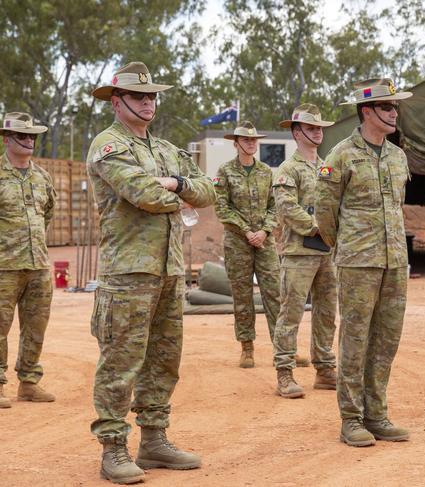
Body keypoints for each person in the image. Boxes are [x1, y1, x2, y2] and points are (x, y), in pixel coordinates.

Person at [87, 61, 216, 484]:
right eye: (139, 97)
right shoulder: (107, 146)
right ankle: (113, 448)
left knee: (163, 360)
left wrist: (175, 184)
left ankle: (155, 439)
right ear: (117, 102)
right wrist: (174, 190)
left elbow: (207, 190)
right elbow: (140, 193)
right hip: (127, 273)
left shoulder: (166, 150)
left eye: (152, 96)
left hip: (168, 270)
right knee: (121, 362)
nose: (148, 103)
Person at [315, 79, 411, 447]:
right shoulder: (340, 155)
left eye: (395, 108)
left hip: (395, 262)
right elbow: (325, 213)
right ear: (367, 111)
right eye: (387, 108)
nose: (393, 113)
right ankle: (351, 419)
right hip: (358, 262)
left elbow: (397, 207)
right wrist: (348, 245)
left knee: (386, 340)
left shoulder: (398, 156)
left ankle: (377, 414)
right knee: (355, 339)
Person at [214, 121, 310, 369]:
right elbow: (222, 208)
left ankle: (284, 350)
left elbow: (274, 206)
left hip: (265, 243)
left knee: (275, 295)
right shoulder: (224, 172)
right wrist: (246, 230)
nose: (251, 143)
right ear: (236, 143)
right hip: (238, 243)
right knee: (242, 296)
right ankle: (247, 348)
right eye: (246, 140)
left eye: (254, 140)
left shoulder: (267, 172)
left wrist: (265, 231)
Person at [272, 104, 337, 398]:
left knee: (327, 311)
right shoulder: (288, 169)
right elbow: (287, 209)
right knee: (291, 312)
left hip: (327, 253)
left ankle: (324, 368)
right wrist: (317, 227)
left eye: (320, 128)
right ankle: (284, 373)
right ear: (297, 132)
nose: (318, 133)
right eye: (311, 128)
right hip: (299, 252)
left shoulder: (326, 166)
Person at [0, 112, 57, 409]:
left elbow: (48, 212)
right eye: (22, 136)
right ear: (7, 139)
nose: (28, 141)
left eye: (32, 136)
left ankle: (29, 382)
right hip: (3, 265)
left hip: (38, 263)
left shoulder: (41, 176)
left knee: (36, 325)